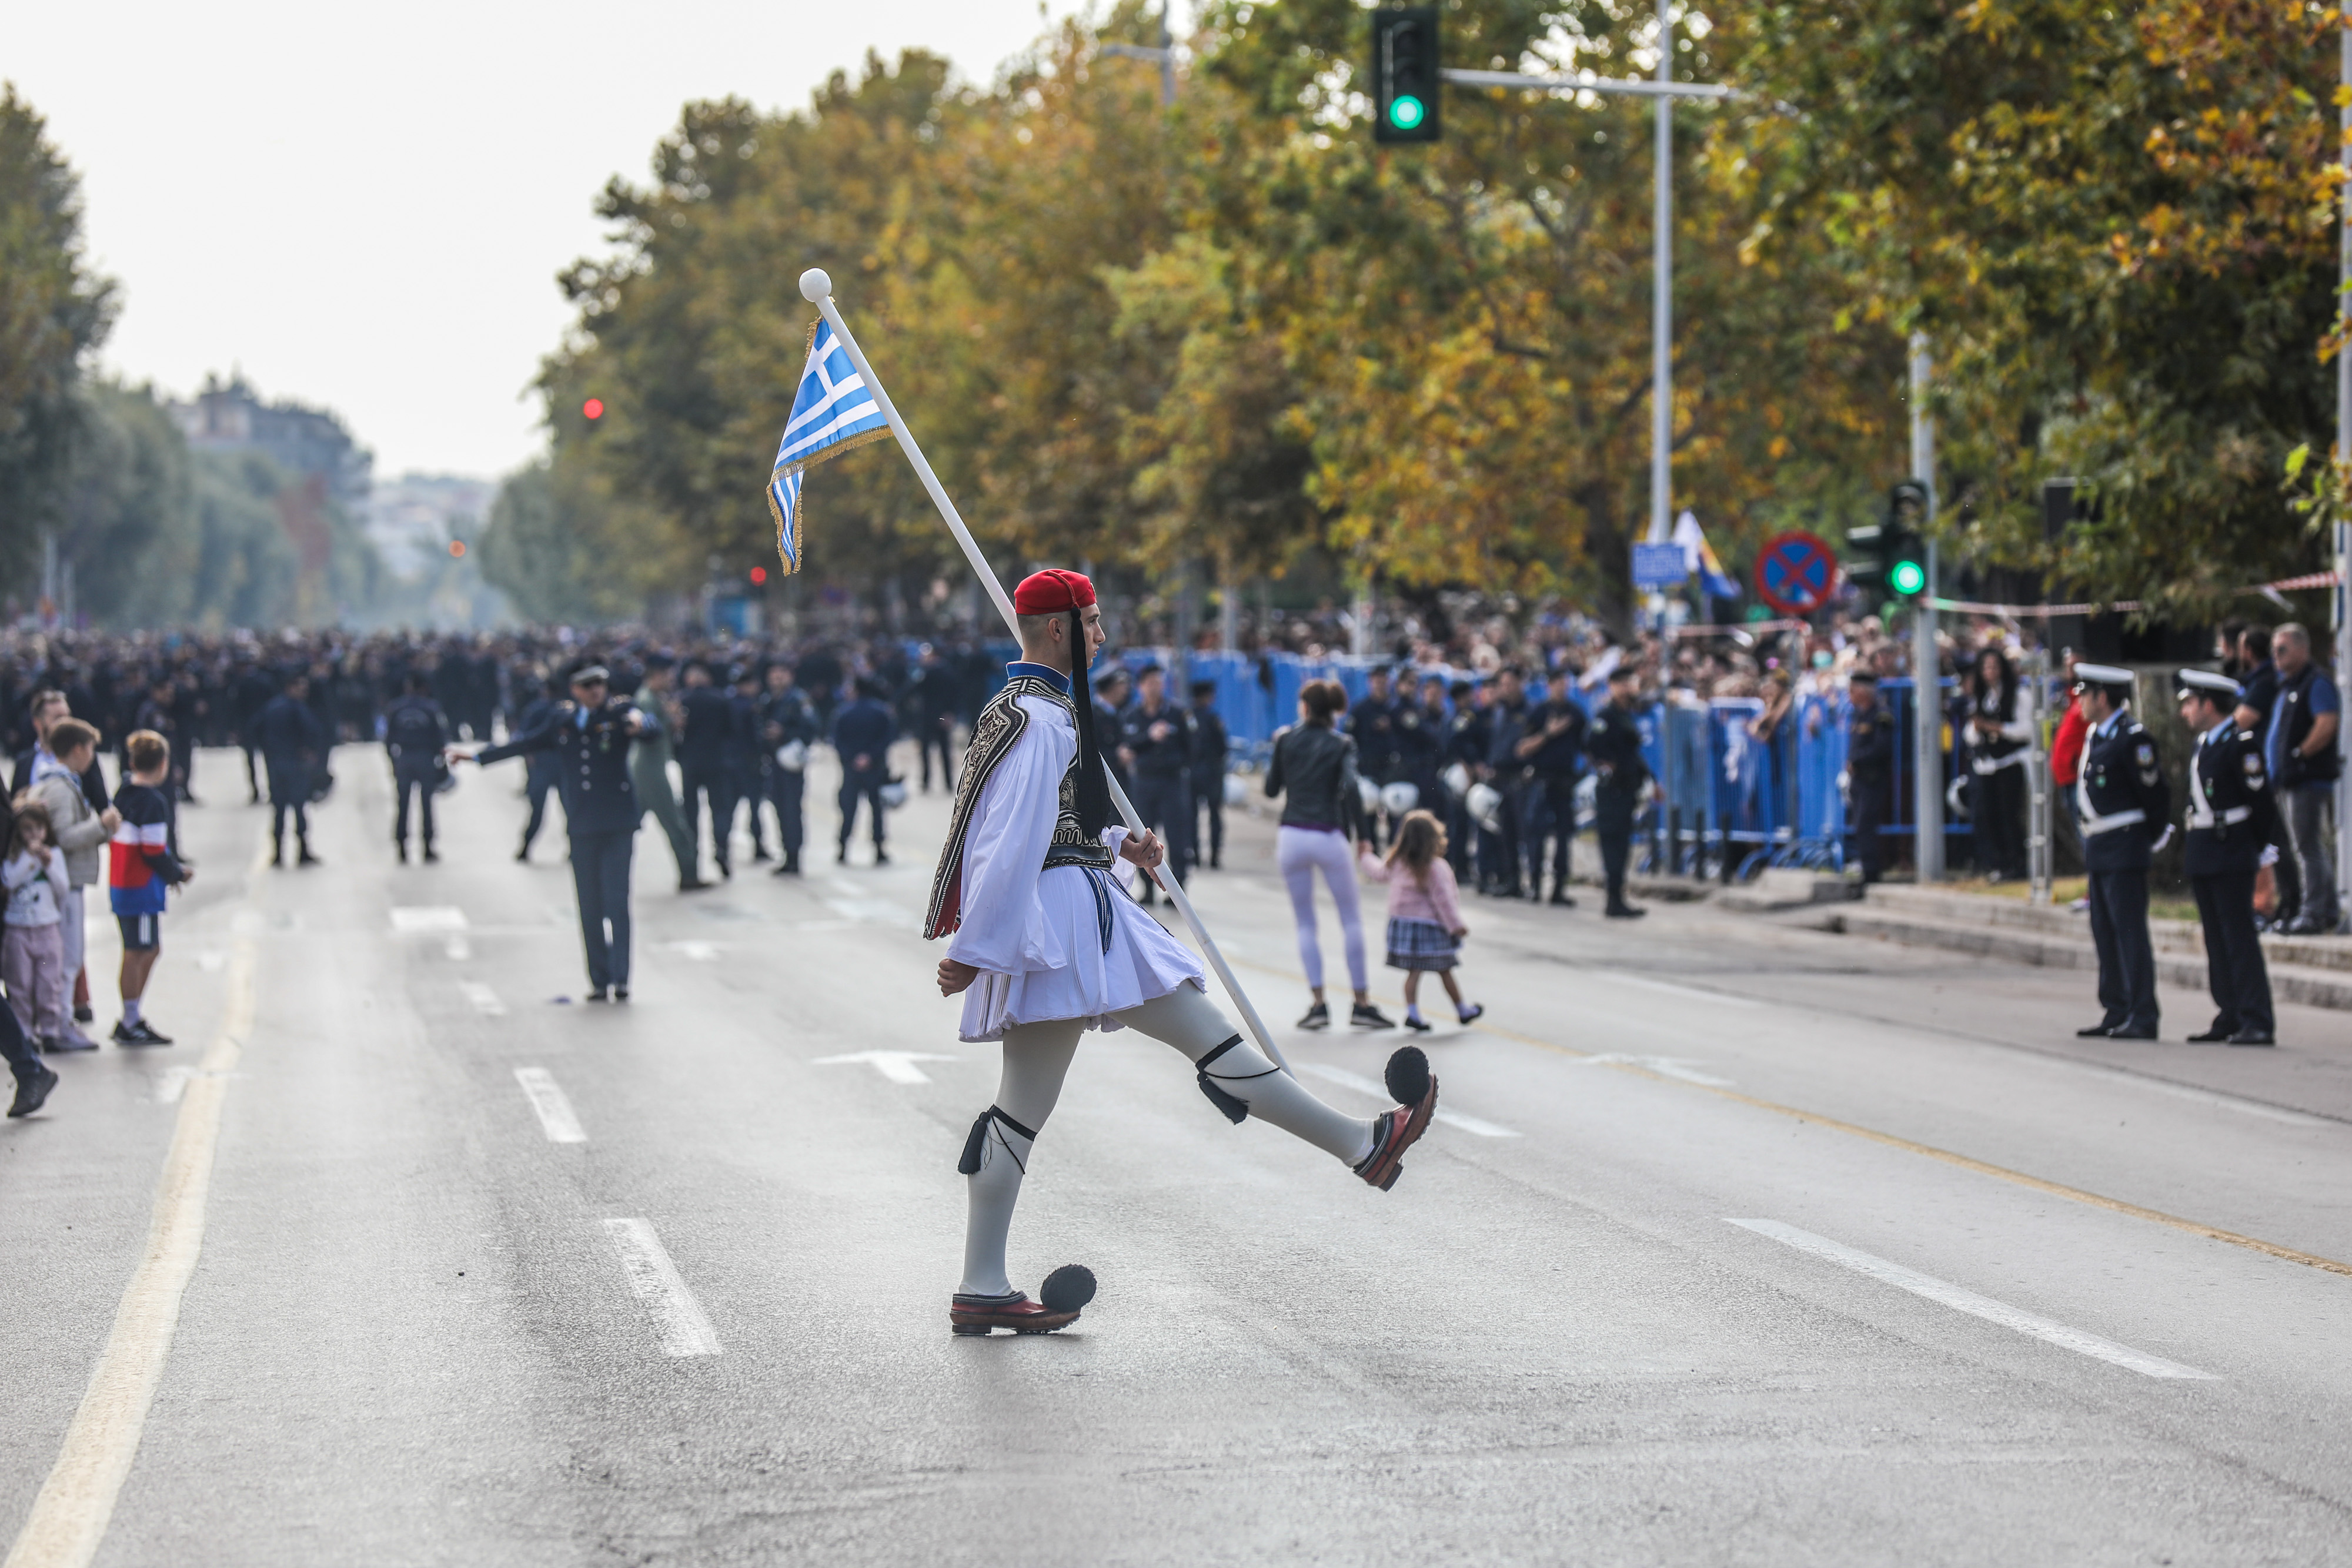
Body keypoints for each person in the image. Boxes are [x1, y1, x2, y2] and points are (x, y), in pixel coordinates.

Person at [927, 569, 1437, 1336]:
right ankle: (1362, 1145)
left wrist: (1114, 841)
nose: (1102, 636)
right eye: (1093, 622)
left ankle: (982, 1281)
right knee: (1208, 1040)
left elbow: (1047, 825)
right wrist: (977, 944)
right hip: (1068, 926)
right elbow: (1007, 840)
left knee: (1019, 1114)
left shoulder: (1030, 709)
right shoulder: (1040, 719)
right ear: (1061, 628)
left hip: (1068, 913)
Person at [459, 664, 646, 1001]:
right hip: (583, 823)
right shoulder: (562, 723)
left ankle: (621, 978)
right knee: (589, 905)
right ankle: (599, 980)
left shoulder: (618, 713)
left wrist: (639, 722)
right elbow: (524, 744)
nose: (595, 692)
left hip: (618, 822)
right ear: (574, 690)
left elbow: (645, 724)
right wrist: (475, 757)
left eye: (600, 685)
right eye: (588, 686)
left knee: (617, 902)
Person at [1265, 678, 1394, 1030]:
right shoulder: (1342, 744)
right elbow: (1352, 787)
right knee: (1350, 919)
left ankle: (1319, 1003)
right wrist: (1364, 837)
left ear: (1305, 707)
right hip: (1328, 833)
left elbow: (1271, 788)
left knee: (1306, 921)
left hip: (1291, 834)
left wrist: (1279, 750)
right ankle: (1362, 1003)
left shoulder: (1287, 739)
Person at [2176, 670, 2276, 1046]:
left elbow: (2262, 805)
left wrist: (2254, 848)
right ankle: (2229, 1012)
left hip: (2231, 847)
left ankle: (2257, 1018)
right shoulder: (2204, 744)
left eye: (2190, 703)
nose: (2185, 711)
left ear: (2208, 704)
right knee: (2216, 939)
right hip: (2205, 848)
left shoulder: (2240, 744)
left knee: (2239, 937)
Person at [2070, 663, 2168, 1040]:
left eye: (2085, 693)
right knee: (2105, 932)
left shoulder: (2133, 738)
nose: (2079, 700)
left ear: (2102, 696)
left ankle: (2143, 1013)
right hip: (2099, 844)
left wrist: (2147, 837)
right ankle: (2117, 1008)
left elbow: (2155, 796)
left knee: (2129, 933)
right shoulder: (2097, 735)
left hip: (2124, 843)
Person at [23, 716, 116, 1048]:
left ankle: (54, 1022)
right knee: (68, 957)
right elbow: (63, 837)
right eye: (90, 748)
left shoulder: (56, 783)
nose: (92, 756)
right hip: (66, 884)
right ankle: (58, 1024)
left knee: (62, 957)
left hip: (61, 884)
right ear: (77, 749)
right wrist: (101, 825)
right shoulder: (62, 788)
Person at [1357, 809, 1482, 1034]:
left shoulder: (1398, 862)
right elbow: (1444, 901)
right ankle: (1463, 1010)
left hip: (1403, 925)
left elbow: (1377, 872)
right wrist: (1456, 926)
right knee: (1445, 969)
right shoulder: (1436, 868)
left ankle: (1413, 1013)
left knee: (1414, 972)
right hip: (1429, 927)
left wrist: (1365, 855)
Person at [109, 730, 193, 1046]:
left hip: (122, 883)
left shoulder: (124, 793)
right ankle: (130, 1020)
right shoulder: (154, 803)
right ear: (163, 764)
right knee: (141, 951)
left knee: (140, 948)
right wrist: (177, 874)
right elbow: (154, 850)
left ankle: (132, 1017)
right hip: (141, 887)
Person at [2260, 624, 2341, 934]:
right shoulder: (2288, 685)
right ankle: (2327, 908)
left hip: (2306, 779)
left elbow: (2326, 722)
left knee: (2306, 848)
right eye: (2273, 651)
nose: (2276, 657)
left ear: (2302, 649)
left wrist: (2300, 754)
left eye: (2282, 649)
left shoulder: (2315, 683)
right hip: (2288, 780)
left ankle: (2313, 913)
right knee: (2304, 846)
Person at [629, 656, 706, 892]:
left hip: (651, 766)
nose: (672, 681)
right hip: (650, 769)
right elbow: (650, 730)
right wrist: (671, 719)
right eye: (668, 676)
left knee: (629, 824)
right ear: (657, 676)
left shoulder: (654, 698)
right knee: (676, 824)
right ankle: (689, 874)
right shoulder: (647, 700)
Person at [1119, 663, 1194, 901]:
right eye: (1150, 684)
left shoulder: (1178, 713)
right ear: (1141, 687)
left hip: (1171, 782)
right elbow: (1126, 746)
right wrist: (1149, 738)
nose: (1155, 689)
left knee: (1177, 835)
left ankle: (1177, 890)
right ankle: (1148, 888)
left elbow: (1192, 747)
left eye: (1159, 683)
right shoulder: (1131, 715)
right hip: (1143, 782)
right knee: (1143, 835)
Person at [4, 799, 73, 1047]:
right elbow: (10, 881)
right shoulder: (15, 856)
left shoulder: (54, 855)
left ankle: (50, 1030)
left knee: (48, 980)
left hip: (46, 927)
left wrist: (48, 865)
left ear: (47, 829)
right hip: (18, 928)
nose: (34, 835)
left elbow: (63, 889)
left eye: (38, 829)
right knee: (20, 982)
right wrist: (31, 860)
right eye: (27, 829)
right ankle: (25, 1031)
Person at [1514, 681, 1586, 906]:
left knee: (1564, 837)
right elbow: (1522, 749)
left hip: (1565, 783)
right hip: (1541, 781)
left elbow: (1586, 746)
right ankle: (1534, 885)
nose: (1561, 689)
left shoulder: (1575, 714)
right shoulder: (1539, 712)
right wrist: (1549, 733)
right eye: (1557, 684)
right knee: (1536, 834)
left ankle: (1559, 889)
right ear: (1549, 686)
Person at [1963, 648, 2032, 881]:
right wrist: (1978, 729)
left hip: (2011, 762)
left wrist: (1998, 729)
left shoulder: (2019, 694)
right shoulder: (1983, 698)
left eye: (1994, 666)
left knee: (2008, 815)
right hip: (1988, 764)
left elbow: (2028, 730)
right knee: (1989, 815)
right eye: (1985, 667)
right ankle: (2001, 864)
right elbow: (1970, 733)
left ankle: (2018, 863)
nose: (1990, 672)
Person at [1588, 663, 1650, 917]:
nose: (1627, 689)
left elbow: (1634, 755)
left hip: (1627, 790)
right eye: (1622, 684)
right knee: (1613, 846)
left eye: (1630, 683)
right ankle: (1614, 899)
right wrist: (1609, 767)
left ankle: (1617, 898)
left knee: (1622, 847)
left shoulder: (1628, 715)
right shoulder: (1607, 716)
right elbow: (1593, 748)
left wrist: (1651, 780)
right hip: (1613, 790)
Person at [253, 671, 329, 867]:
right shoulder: (297, 708)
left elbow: (255, 730)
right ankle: (302, 850)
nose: (304, 691)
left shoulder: (271, 707)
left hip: (276, 765)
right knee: (298, 808)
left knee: (279, 810)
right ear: (291, 687)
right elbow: (313, 732)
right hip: (295, 765)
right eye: (301, 687)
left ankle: (278, 854)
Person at [676, 661, 737, 880]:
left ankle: (692, 854)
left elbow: (676, 732)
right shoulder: (720, 699)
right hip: (717, 761)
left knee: (691, 811)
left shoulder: (683, 700)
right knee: (720, 809)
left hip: (691, 762)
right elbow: (731, 730)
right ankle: (721, 848)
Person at [382, 671, 450, 864]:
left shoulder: (396, 707)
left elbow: (388, 738)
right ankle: (428, 846)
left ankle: (402, 846)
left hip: (404, 757)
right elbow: (441, 736)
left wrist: (393, 761)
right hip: (425, 759)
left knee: (402, 803)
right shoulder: (431, 708)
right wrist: (441, 760)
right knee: (427, 804)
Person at [760, 661, 820, 877]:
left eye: (781, 676)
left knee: (792, 809)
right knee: (779, 808)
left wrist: (784, 732)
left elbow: (811, 727)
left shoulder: (798, 699)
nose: (776, 680)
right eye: (773, 676)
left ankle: (794, 855)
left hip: (791, 762)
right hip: (773, 762)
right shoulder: (768, 700)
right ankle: (786, 852)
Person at [832, 675, 896, 865]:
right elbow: (889, 737)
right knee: (877, 809)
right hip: (875, 767)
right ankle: (878, 848)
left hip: (851, 769)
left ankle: (843, 846)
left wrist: (853, 757)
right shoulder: (882, 712)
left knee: (849, 809)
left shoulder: (844, 712)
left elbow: (837, 739)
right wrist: (870, 756)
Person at [1481, 667, 1532, 895]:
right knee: (1504, 832)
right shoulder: (1499, 711)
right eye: (1504, 684)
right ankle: (1510, 880)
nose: (1506, 688)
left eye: (1511, 684)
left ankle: (1531, 881)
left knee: (1524, 832)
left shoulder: (1529, 712)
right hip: (1498, 778)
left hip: (1519, 779)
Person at [1845, 670, 1895, 886]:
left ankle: (1872, 873)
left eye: (1854, 689)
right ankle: (1867, 870)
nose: (1850, 694)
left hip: (1873, 778)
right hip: (1859, 779)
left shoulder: (1881, 715)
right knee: (1860, 826)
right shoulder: (1859, 714)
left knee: (1866, 825)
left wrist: (1857, 760)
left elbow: (1882, 747)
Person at [1188, 679, 1230, 871]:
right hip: (1212, 772)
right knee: (1214, 814)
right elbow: (1223, 747)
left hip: (1193, 771)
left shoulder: (1188, 717)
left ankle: (1195, 854)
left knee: (1192, 815)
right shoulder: (1213, 718)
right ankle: (1214, 855)